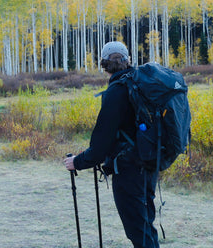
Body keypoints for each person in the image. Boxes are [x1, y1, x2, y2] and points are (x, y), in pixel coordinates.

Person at [64, 41, 160, 248]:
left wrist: (77, 162)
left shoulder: (117, 92)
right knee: (145, 226)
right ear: (128, 61)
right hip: (150, 164)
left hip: (129, 170)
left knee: (138, 230)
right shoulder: (140, 84)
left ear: (104, 64)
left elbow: (100, 145)